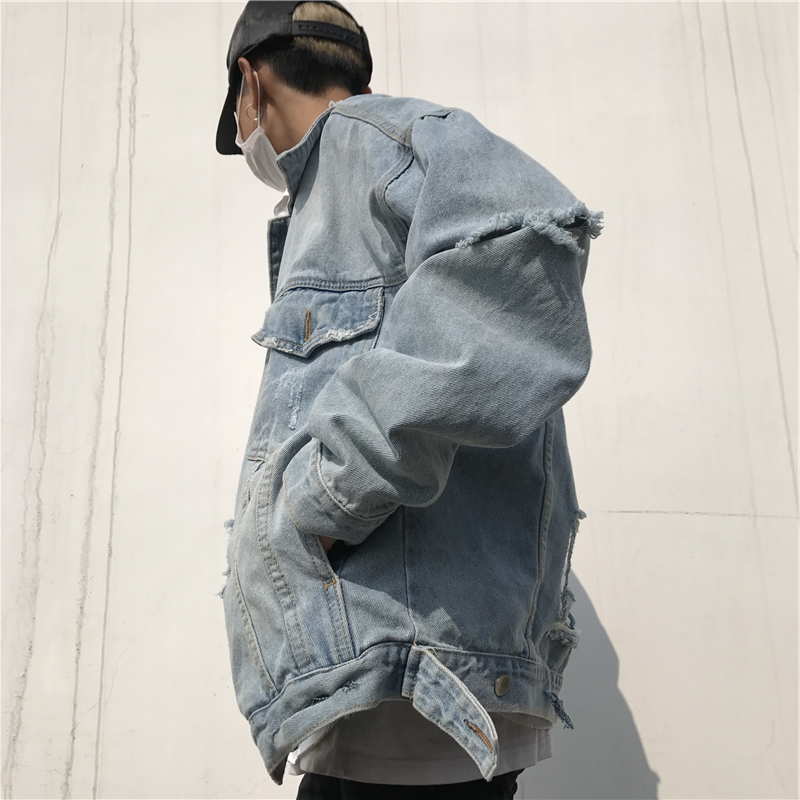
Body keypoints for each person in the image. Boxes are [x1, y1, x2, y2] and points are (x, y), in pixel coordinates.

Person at [215, 3, 603, 799]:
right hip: (387, 687)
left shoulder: (377, 144)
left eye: (239, 117)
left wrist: (321, 499)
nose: (247, 137)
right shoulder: (336, 192)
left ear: (250, 83)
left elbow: (519, 258)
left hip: (415, 683)